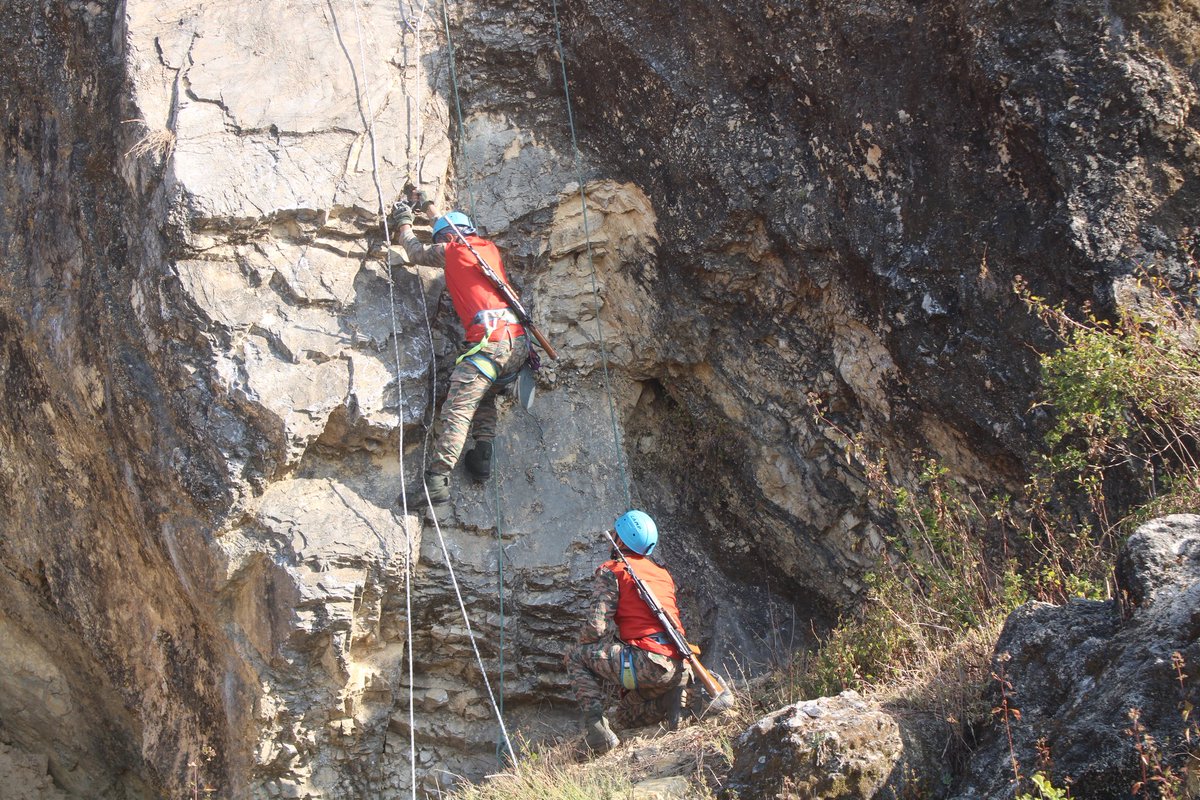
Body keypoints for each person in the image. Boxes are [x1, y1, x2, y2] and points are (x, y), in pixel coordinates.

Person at [389, 197, 530, 506]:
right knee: (486, 394)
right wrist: (429, 208)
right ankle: (481, 458)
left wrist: (403, 223)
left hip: (489, 343)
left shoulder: (451, 250)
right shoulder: (488, 249)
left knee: (459, 408)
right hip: (517, 342)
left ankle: (436, 482)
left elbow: (416, 253)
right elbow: (451, 228)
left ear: (447, 238)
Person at [564, 510, 692, 753]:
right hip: (678, 667)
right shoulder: (663, 574)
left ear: (621, 540)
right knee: (625, 715)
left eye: (616, 532)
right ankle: (669, 700)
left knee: (574, 656)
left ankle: (597, 732)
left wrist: (585, 644)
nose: (612, 534)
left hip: (648, 662)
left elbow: (596, 626)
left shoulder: (613, 570)